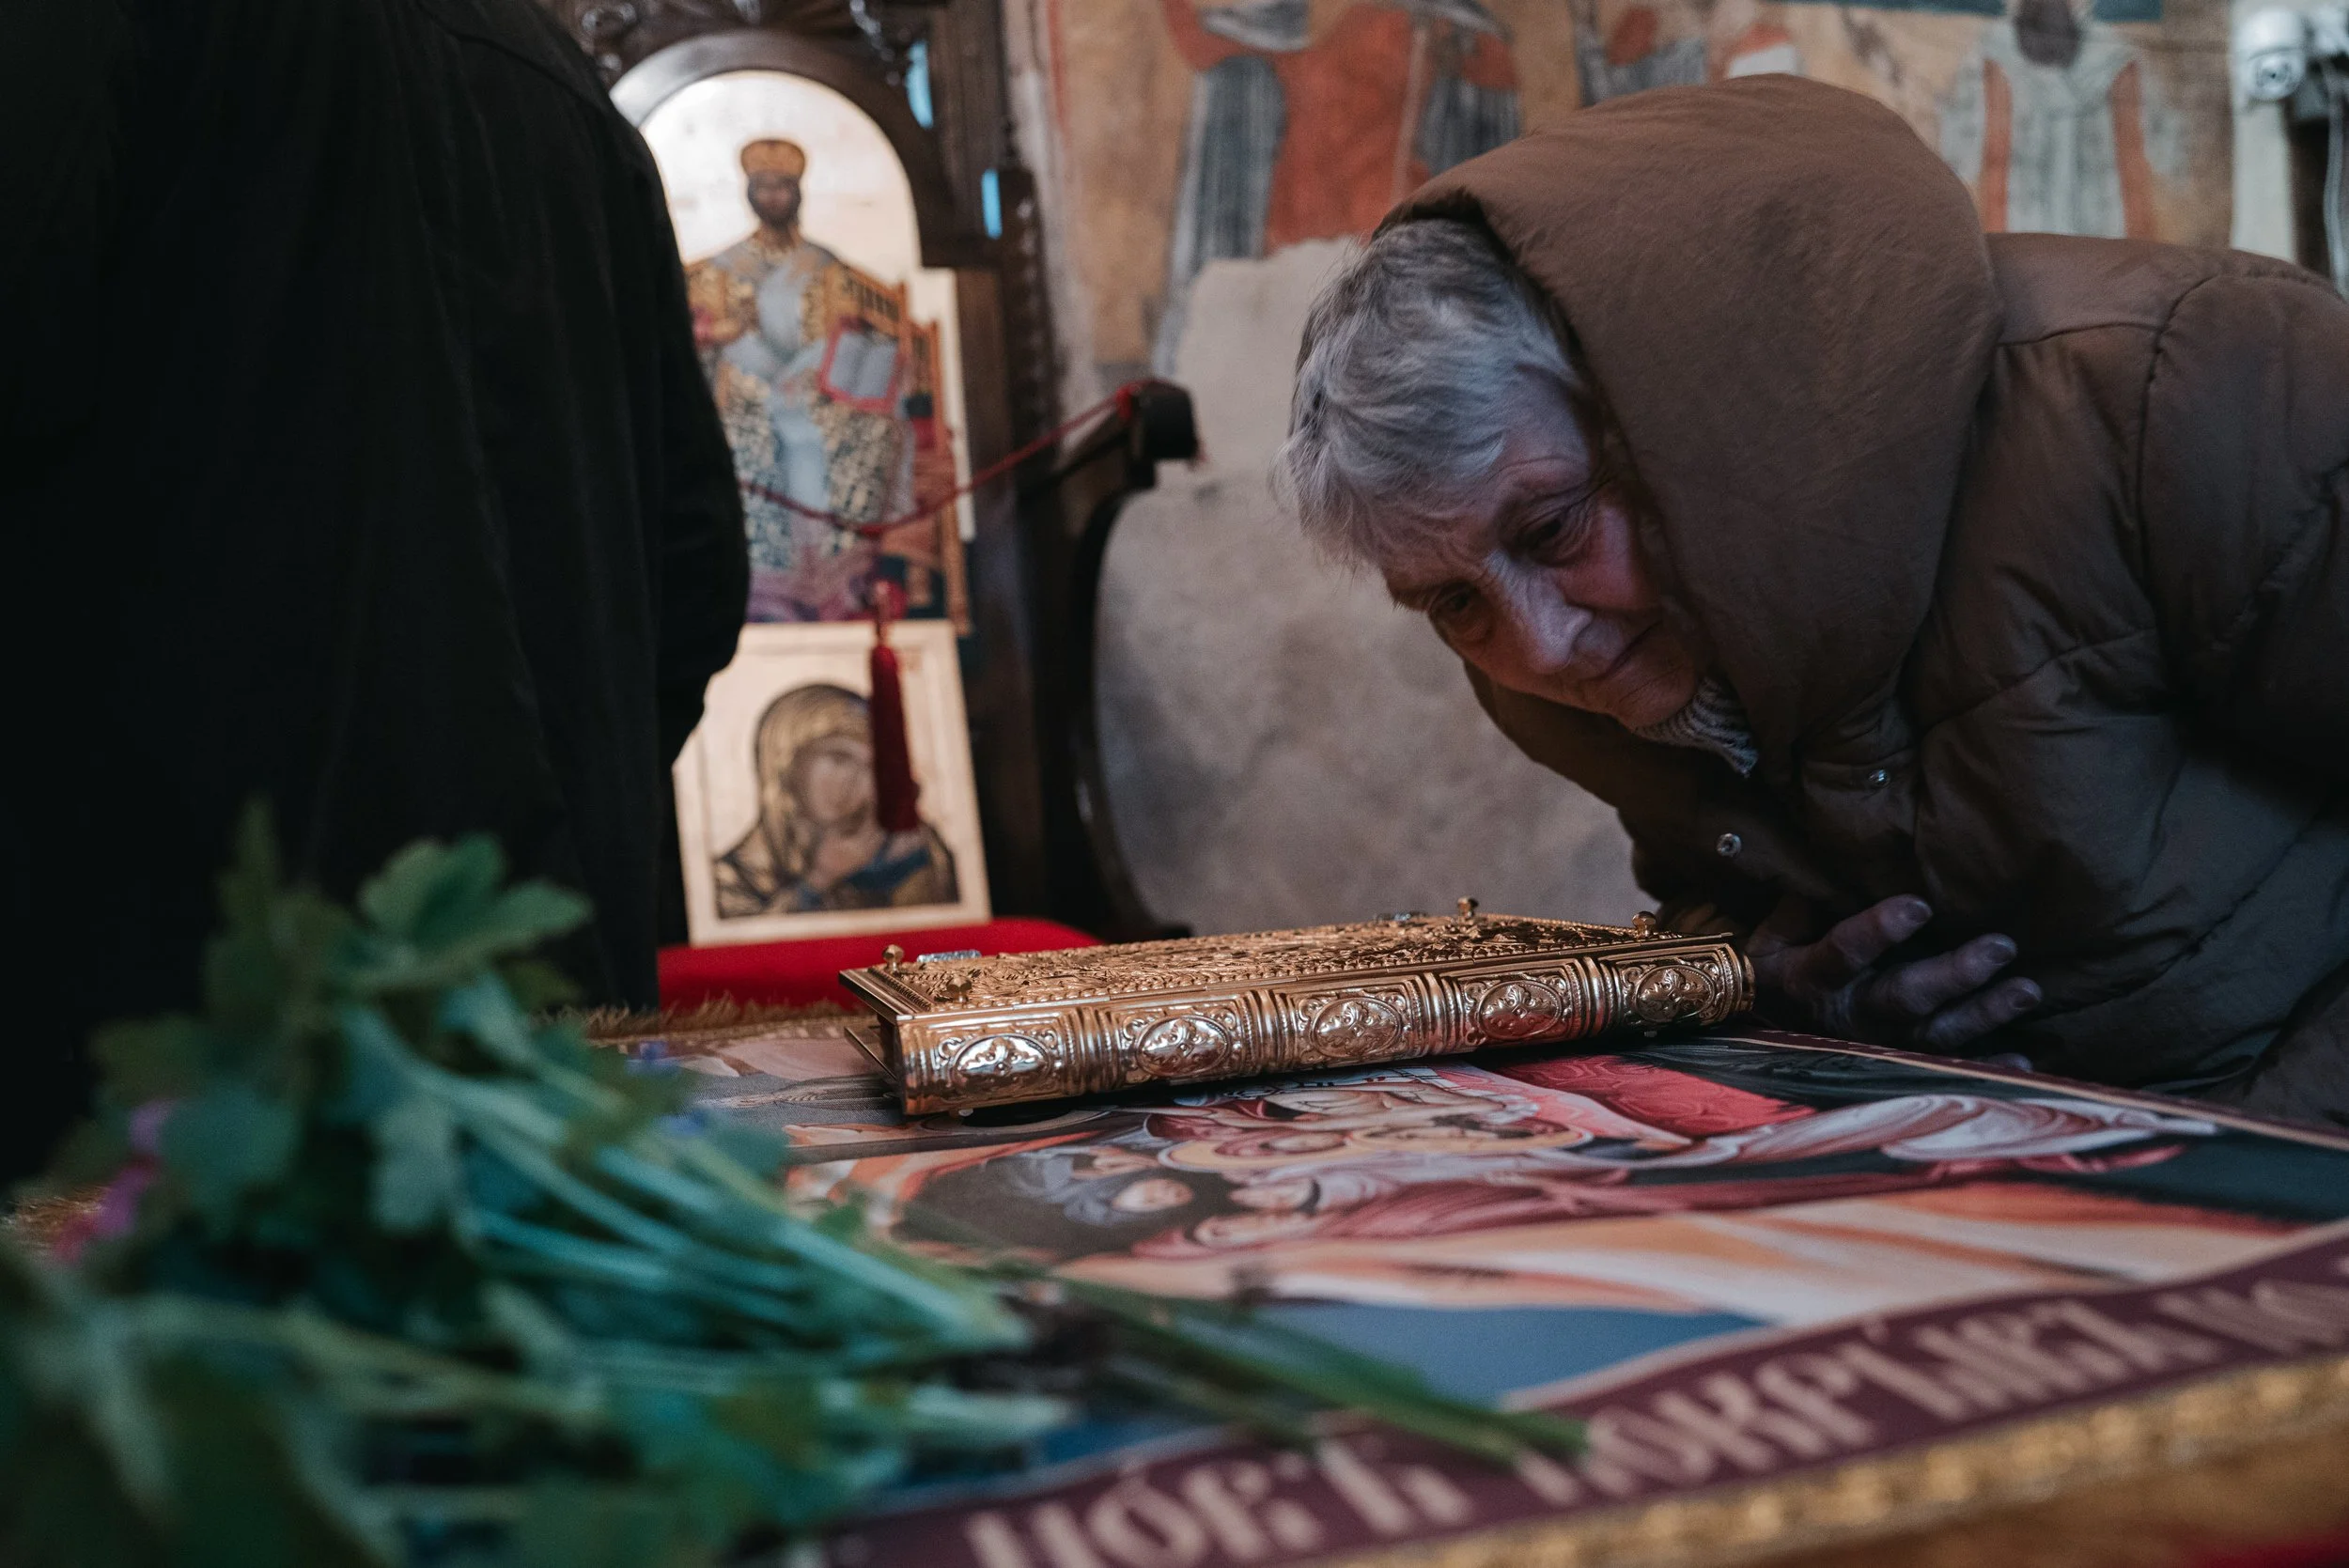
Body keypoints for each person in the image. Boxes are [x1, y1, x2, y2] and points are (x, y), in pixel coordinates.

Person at [1276, 75, 2349, 1126]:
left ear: (1681, 415)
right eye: (1451, 603)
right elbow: (1727, 895)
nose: (1541, 644)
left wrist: (2263, 1158)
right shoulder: (1580, 648)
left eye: (1552, 529)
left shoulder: (2180, 390)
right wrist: (1788, 999)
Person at [4, 0, 749, 1179]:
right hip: (548, 1028)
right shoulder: (567, 89)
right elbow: (698, 572)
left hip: (185, 1052)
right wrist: (532, 845)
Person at [713, 684, 959, 916]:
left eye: (871, 767)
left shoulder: (893, 849)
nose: (855, 780)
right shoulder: (731, 877)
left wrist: (910, 863)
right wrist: (817, 881)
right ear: (785, 760)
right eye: (839, 758)